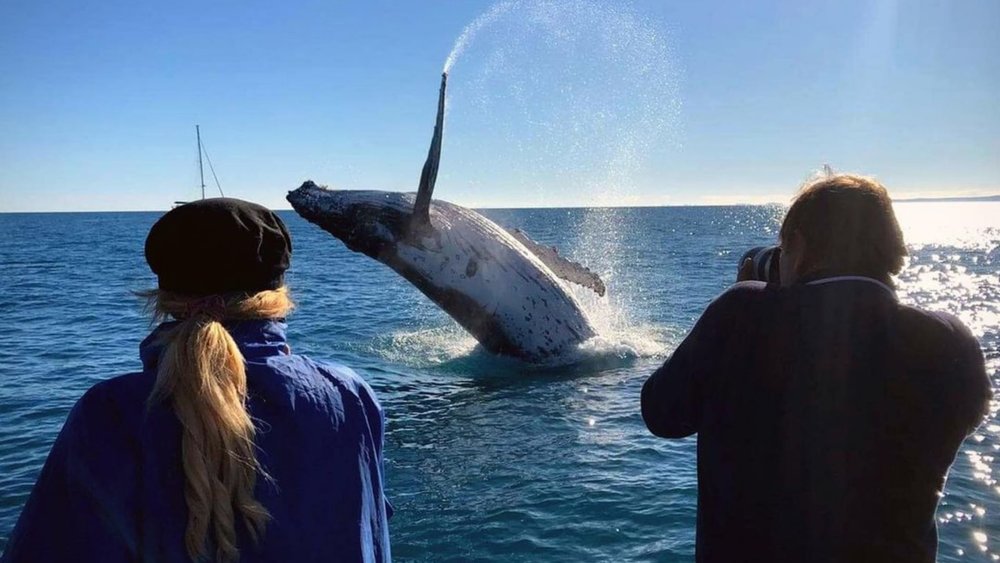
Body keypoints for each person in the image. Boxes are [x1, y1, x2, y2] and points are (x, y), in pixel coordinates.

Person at [2, 199, 391, 562]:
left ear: (163, 295)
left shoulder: (111, 412)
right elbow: (370, 531)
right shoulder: (349, 394)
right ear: (277, 293)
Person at [641, 174, 991, 562]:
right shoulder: (950, 341)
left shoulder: (741, 312)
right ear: (893, 250)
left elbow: (661, 413)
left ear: (799, 244)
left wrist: (751, 299)